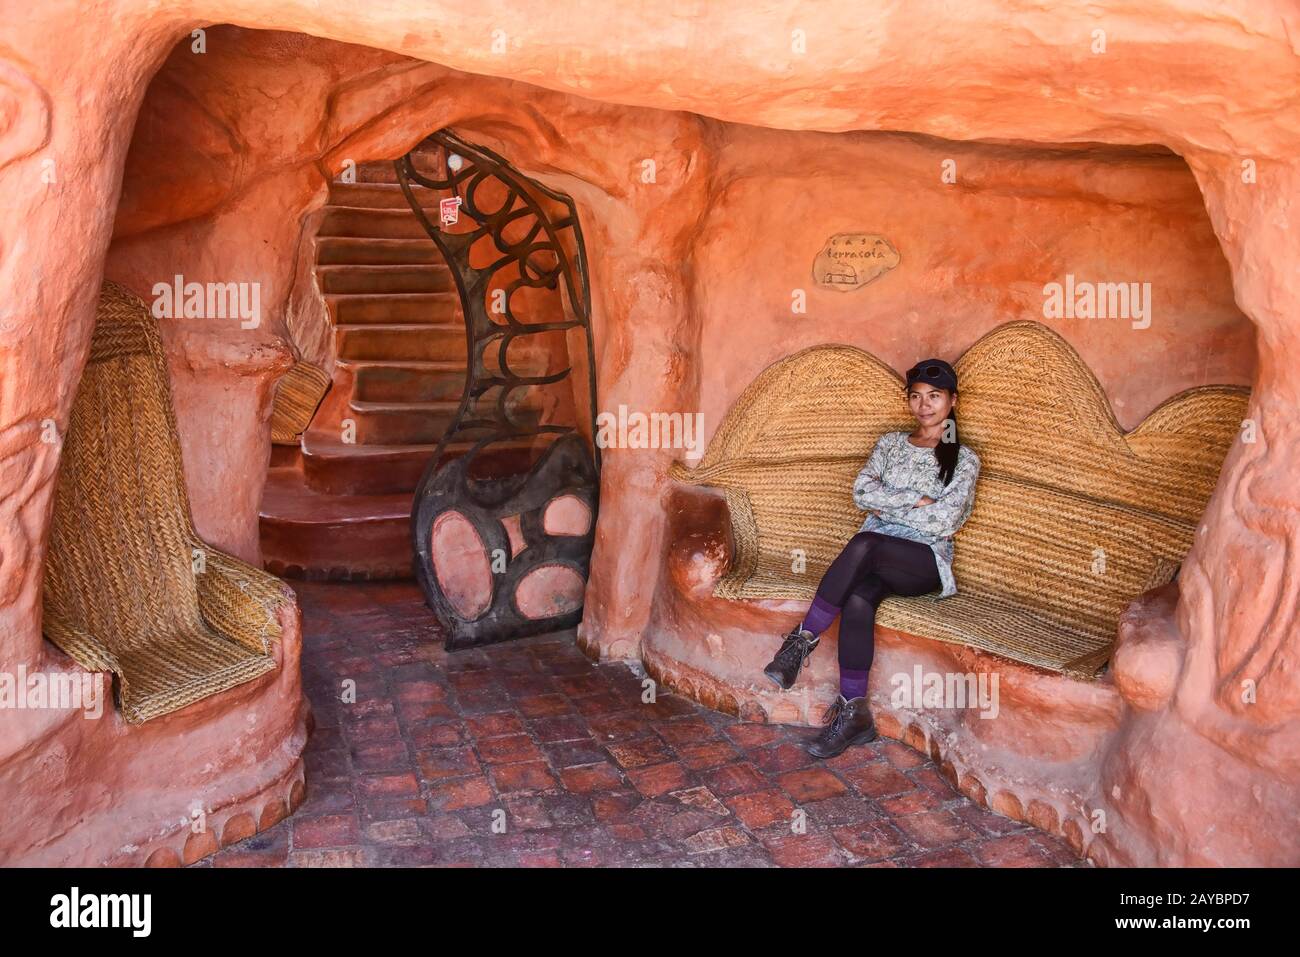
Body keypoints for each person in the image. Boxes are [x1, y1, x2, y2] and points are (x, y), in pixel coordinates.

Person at [761, 358, 981, 758]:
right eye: (916, 397)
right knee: (860, 598)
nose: (925, 405)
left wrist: (889, 506)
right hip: (874, 559)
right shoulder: (890, 445)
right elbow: (862, 492)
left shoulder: (963, 459)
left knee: (867, 543)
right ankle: (853, 714)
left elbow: (945, 520)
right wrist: (916, 499)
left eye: (934, 397)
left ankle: (801, 643)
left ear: (953, 400)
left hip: (925, 563)